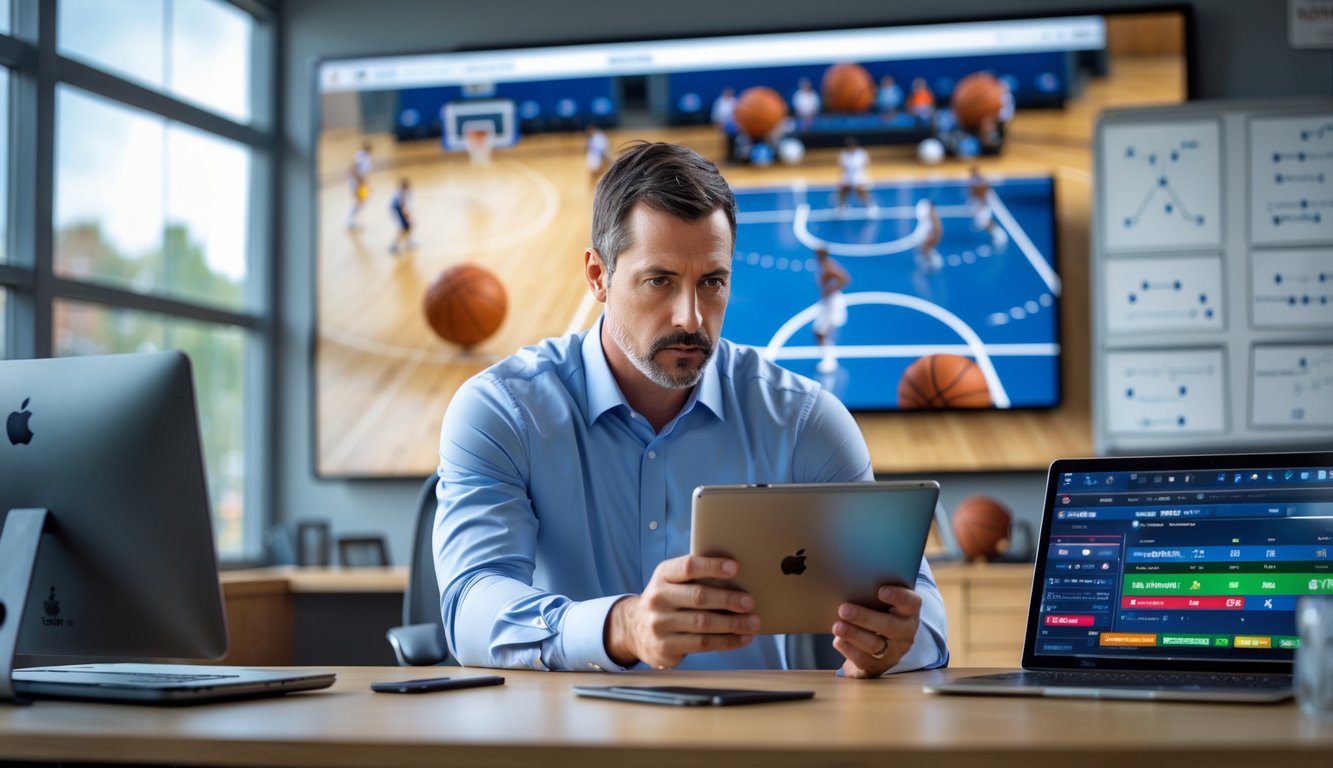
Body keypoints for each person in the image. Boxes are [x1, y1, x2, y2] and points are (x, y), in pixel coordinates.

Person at [435, 142, 948, 677]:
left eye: (712, 282)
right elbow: (469, 606)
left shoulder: (804, 421)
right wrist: (622, 626)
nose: (691, 317)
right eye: (660, 281)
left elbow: (924, 614)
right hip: (572, 751)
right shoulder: (501, 411)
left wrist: (894, 643)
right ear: (597, 277)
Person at [812, 247, 850, 375]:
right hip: (828, 302)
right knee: (821, 332)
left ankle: (829, 360)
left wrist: (831, 289)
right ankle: (829, 355)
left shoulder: (828, 266)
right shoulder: (824, 265)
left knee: (820, 332)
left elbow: (845, 278)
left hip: (832, 303)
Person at [966, 166, 1008, 248]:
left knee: (985, 222)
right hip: (979, 203)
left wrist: (981, 205)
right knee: (981, 219)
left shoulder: (981, 184)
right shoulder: (974, 180)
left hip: (983, 204)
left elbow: (983, 194)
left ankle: (1000, 236)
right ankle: (981, 223)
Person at [835, 137, 878, 216]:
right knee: (842, 189)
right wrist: (841, 180)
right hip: (848, 176)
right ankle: (841, 207)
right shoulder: (843, 154)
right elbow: (842, 168)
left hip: (860, 176)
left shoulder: (862, 153)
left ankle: (870, 205)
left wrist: (863, 179)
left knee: (861, 190)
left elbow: (866, 166)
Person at [912, 198, 943, 271]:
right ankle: (928, 259)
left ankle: (931, 262)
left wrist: (930, 236)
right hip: (931, 234)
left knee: (924, 247)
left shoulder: (934, 218)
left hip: (933, 235)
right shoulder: (931, 215)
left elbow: (937, 230)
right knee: (924, 247)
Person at [346, 142, 372, 230]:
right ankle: (349, 220)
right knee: (359, 201)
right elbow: (354, 168)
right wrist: (358, 183)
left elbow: (363, 173)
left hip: (359, 182)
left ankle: (352, 220)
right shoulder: (360, 156)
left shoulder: (366, 157)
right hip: (356, 182)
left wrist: (366, 184)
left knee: (361, 201)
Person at [388, 178, 415, 254]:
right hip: (397, 210)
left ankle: (409, 241)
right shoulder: (401, 194)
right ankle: (394, 245)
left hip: (400, 210)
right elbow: (403, 206)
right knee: (402, 228)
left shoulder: (406, 192)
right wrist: (408, 216)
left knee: (409, 226)